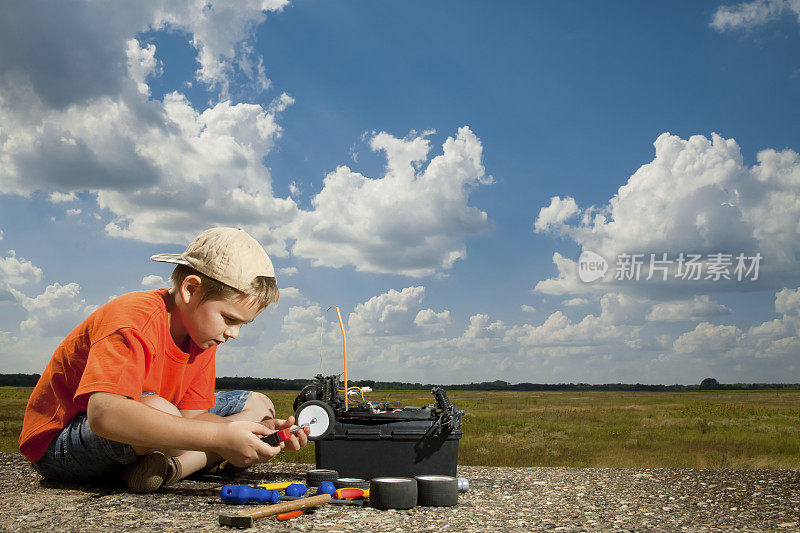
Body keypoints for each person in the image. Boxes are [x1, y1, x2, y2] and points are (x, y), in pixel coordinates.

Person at [18, 227, 309, 492]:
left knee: (259, 407)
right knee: (161, 410)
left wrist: (256, 434)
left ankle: (172, 469)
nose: (233, 333)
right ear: (190, 289)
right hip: (61, 445)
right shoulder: (132, 319)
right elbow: (104, 414)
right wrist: (222, 439)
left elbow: (193, 417)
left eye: (243, 324)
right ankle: (196, 458)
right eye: (229, 318)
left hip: (142, 430)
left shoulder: (201, 336)